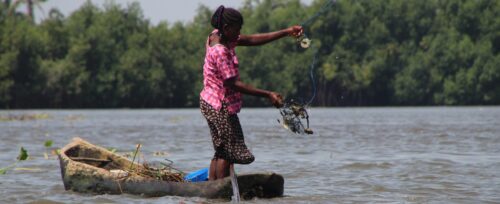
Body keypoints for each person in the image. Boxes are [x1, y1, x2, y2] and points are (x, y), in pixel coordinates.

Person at [200, 5, 304, 180]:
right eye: (238, 29)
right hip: (219, 105)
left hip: (209, 102)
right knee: (228, 152)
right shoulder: (220, 51)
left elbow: (251, 40)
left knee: (221, 150)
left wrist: (286, 32)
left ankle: (213, 190)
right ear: (227, 28)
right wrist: (267, 94)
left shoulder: (216, 35)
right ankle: (221, 191)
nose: (240, 33)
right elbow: (233, 83)